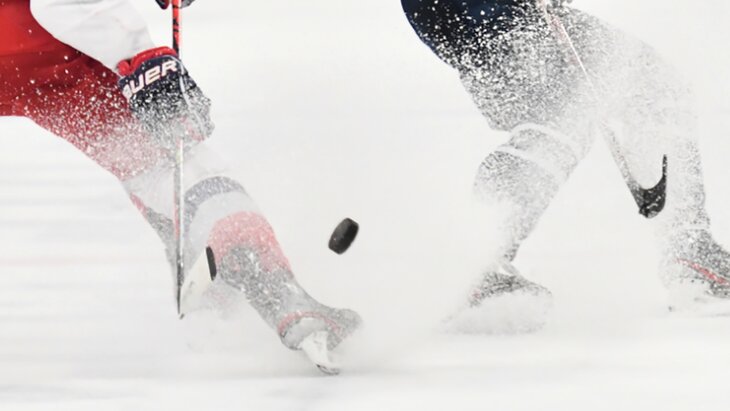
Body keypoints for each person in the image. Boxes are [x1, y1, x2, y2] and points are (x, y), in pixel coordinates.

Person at [0, 0, 360, 371]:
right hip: (38, 43)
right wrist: (139, 56)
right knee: (162, 164)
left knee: (141, 162)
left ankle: (207, 268)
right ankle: (274, 288)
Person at [400, 0, 730, 320]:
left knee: (652, 86)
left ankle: (691, 253)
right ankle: (477, 264)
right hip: (485, 12)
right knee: (559, 114)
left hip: (500, 13)